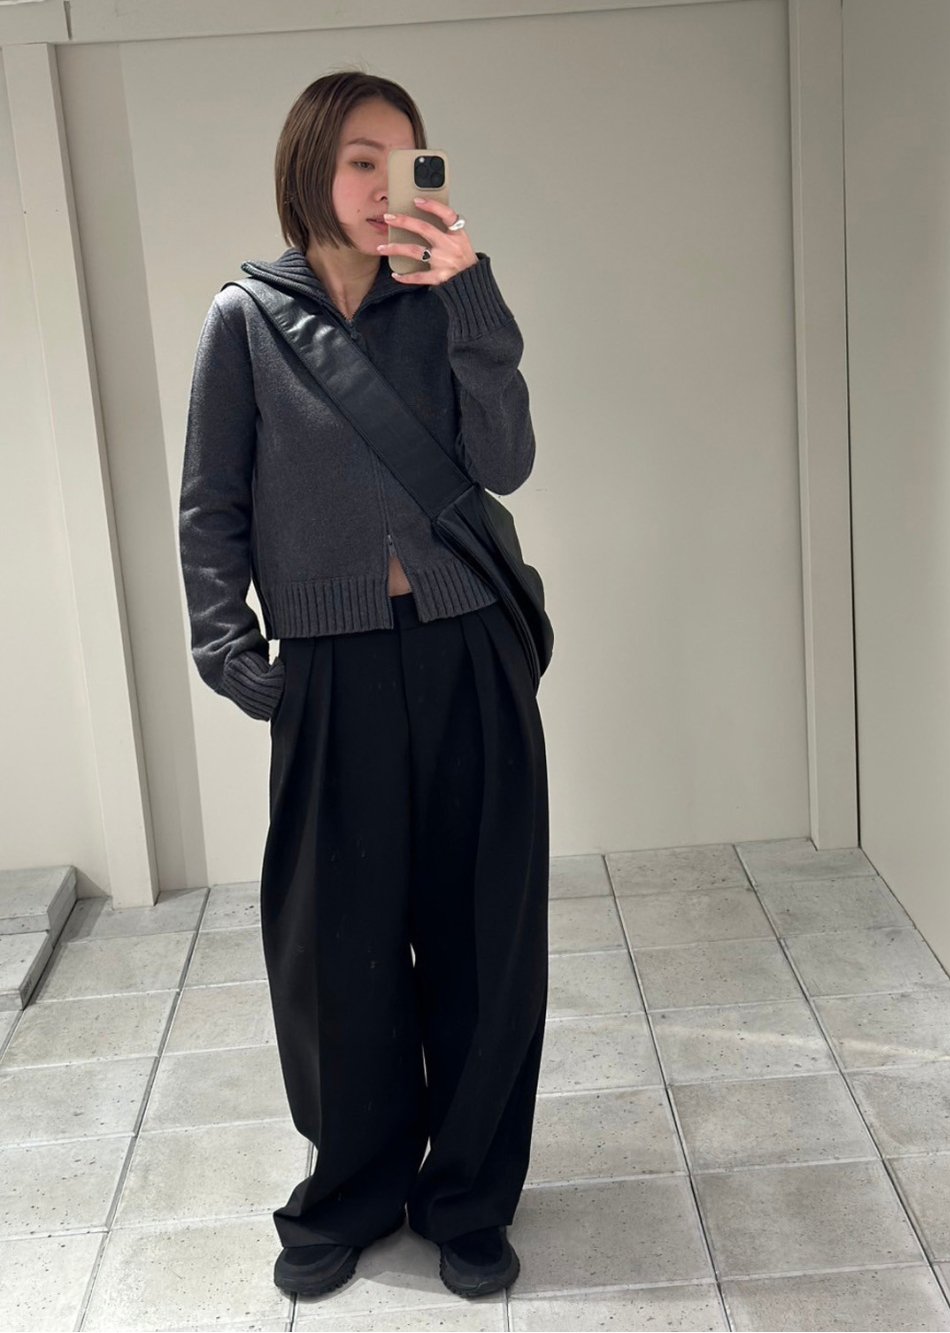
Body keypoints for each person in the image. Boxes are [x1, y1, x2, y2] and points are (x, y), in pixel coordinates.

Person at [177, 69, 550, 1303]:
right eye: (357, 160)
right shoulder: (246, 319)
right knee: (334, 949)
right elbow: (211, 502)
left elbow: (506, 460)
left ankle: (469, 1197)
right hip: (330, 669)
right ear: (309, 170)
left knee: (484, 938)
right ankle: (350, 1189)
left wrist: (472, 297)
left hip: (467, 650)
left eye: (401, 158)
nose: (383, 182)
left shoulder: (446, 301)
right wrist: (228, 646)